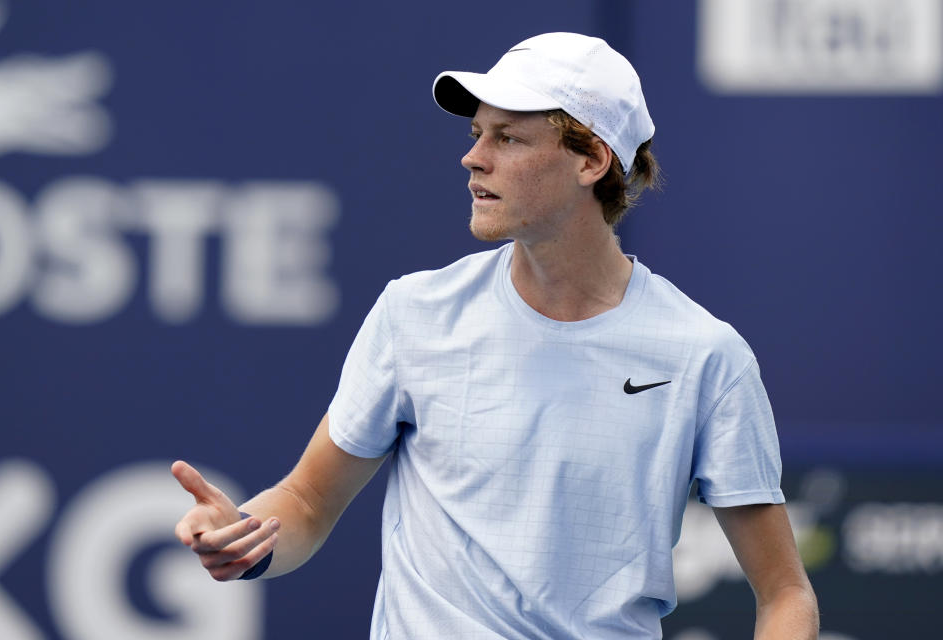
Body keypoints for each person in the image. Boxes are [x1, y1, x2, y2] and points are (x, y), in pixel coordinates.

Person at [172, 32, 818, 639]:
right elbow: (309, 502)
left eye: (508, 138)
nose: (472, 156)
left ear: (592, 159)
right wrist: (246, 539)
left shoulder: (706, 357)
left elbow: (785, 593)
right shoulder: (412, 312)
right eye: (478, 132)